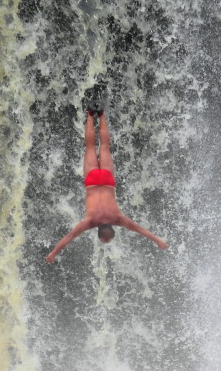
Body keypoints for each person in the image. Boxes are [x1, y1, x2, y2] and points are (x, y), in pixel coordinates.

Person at [45, 107, 168, 263]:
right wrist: (53, 253)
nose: (109, 239)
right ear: (99, 232)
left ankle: (100, 113)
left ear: (108, 232)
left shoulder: (117, 219)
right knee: (91, 147)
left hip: (107, 181)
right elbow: (69, 236)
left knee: (103, 147)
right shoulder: (91, 221)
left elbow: (140, 230)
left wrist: (158, 240)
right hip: (93, 181)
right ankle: (91, 113)